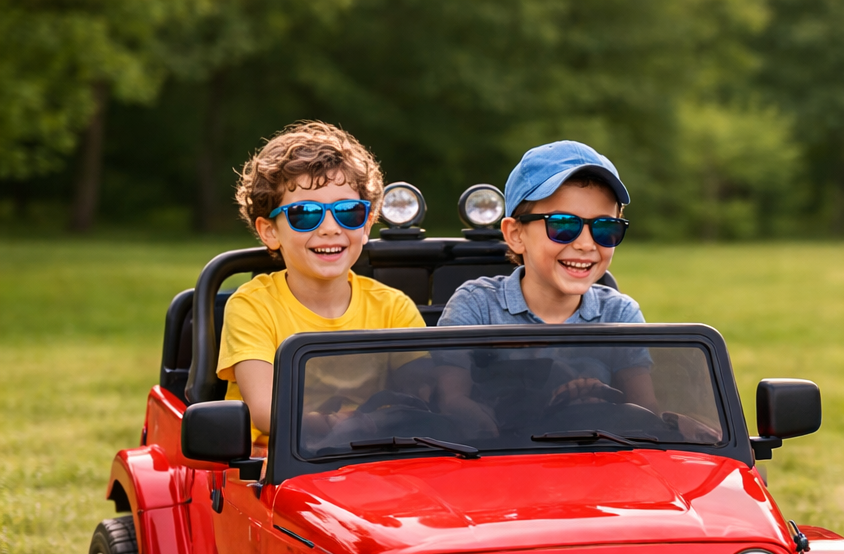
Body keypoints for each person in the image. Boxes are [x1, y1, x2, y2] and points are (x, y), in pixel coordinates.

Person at [217, 121, 426, 445]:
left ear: (367, 224)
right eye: (305, 214)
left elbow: (422, 401)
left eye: (349, 212)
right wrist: (344, 424)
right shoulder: (252, 306)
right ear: (269, 231)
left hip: (377, 456)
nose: (330, 227)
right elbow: (266, 411)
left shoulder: (394, 307)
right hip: (274, 468)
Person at [435, 140, 655, 417]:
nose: (587, 244)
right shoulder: (476, 306)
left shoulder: (620, 314)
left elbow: (646, 416)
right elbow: (451, 408)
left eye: (605, 227)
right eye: (563, 225)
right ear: (516, 234)